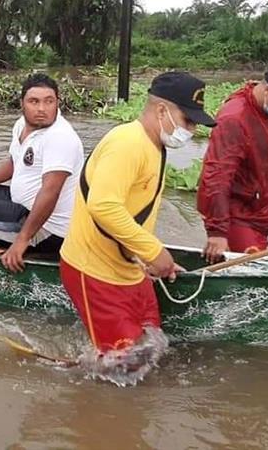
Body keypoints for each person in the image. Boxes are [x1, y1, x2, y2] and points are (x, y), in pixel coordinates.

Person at [60, 72, 217, 354]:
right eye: (188, 121)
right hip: (95, 272)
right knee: (122, 363)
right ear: (161, 110)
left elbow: (136, 212)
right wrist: (154, 251)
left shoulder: (154, 144)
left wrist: (152, 260)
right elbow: (103, 206)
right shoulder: (128, 143)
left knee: (151, 344)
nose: (192, 130)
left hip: (131, 268)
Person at [0, 73, 84, 273]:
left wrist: (22, 240)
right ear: (22, 103)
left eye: (49, 101)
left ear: (57, 103)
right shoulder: (22, 125)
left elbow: (51, 191)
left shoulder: (60, 137)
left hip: (50, 229)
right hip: (26, 207)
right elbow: (15, 162)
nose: (42, 109)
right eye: (34, 101)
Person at [198, 63, 268, 262]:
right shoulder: (234, 119)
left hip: (258, 212)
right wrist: (217, 232)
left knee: (254, 265)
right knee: (253, 267)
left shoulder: (267, 111)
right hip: (238, 216)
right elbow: (216, 176)